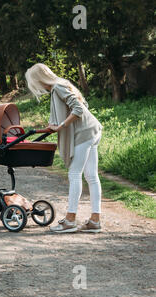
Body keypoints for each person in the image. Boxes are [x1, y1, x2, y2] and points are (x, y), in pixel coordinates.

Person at [25, 63, 103, 233]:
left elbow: (78, 109)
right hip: (93, 130)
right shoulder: (63, 84)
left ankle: (70, 220)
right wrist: (58, 124)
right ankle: (95, 221)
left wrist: (61, 125)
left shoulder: (58, 87)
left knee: (75, 174)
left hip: (85, 133)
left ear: (39, 79)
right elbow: (83, 106)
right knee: (91, 176)